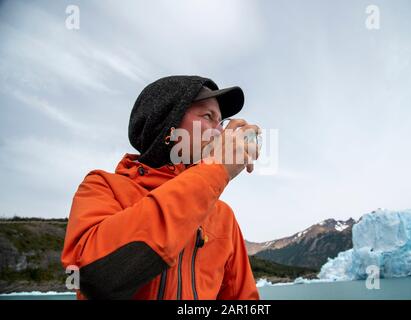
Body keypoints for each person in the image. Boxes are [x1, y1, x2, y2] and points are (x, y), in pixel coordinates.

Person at [61, 75, 261, 300]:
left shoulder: (223, 216)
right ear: (168, 123)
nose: (221, 133)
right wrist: (215, 169)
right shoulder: (102, 187)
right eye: (208, 116)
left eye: (221, 123)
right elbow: (93, 278)